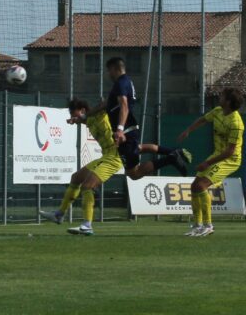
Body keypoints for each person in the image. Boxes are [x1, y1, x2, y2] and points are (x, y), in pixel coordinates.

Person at [88, 57, 190, 179]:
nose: (108, 74)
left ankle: (171, 158)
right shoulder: (124, 82)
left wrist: (120, 129)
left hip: (125, 133)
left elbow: (124, 106)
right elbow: (104, 104)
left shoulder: (120, 83)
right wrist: (84, 116)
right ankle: (172, 152)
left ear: (115, 69)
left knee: (134, 173)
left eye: (109, 70)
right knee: (139, 149)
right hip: (128, 131)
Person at [40, 99, 123, 235]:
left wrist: (83, 116)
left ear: (83, 111)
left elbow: (105, 103)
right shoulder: (89, 121)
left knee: (87, 186)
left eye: (75, 114)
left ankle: (87, 225)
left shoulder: (100, 115)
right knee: (76, 177)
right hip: (106, 155)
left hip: (115, 157)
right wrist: (76, 120)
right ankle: (59, 214)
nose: (73, 117)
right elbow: (83, 120)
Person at [178, 87, 244, 237]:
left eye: (222, 95)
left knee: (201, 185)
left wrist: (207, 163)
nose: (219, 97)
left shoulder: (236, 123)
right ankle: (197, 225)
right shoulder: (218, 110)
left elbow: (230, 151)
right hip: (217, 154)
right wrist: (188, 130)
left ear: (228, 101)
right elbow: (203, 119)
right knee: (195, 186)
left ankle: (208, 225)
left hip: (230, 160)